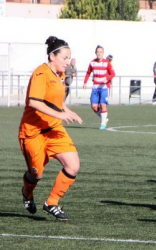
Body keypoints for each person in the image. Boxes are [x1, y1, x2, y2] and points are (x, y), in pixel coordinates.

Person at [19, 36, 83, 221]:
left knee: (73, 165)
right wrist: (61, 115)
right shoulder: (41, 73)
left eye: (69, 58)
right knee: (36, 174)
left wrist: (68, 111)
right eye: (64, 58)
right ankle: (27, 192)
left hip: (54, 129)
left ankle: (52, 203)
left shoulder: (60, 75)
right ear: (52, 56)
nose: (68, 62)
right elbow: (34, 102)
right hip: (33, 132)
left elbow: (56, 102)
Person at [83, 45, 115, 130]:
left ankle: (103, 124)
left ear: (103, 53)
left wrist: (107, 79)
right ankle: (104, 118)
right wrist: (85, 82)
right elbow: (88, 72)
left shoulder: (106, 63)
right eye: (98, 52)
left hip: (104, 87)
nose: (99, 53)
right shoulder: (92, 63)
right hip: (95, 87)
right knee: (94, 106)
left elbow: (113, 74)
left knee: (103, 104)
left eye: (101, 52)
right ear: (95, 53)